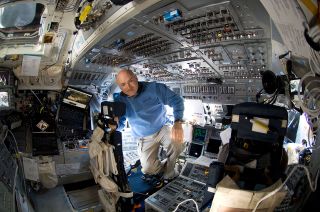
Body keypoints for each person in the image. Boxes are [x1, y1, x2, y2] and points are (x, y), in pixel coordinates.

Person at [114, 69, 184, 183]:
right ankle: (164, 165)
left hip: (162, 127)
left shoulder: (155, 89)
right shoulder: (119, 100)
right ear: (119, 86)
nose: (128, 87)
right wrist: (114, 125)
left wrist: (178, 122)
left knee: (177, 144)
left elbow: (177, 100)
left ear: (136, 78)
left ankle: (170, 173)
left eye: (130, 81)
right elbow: (121, 124)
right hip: (143, 137)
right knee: (148, 169)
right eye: (123, 84)